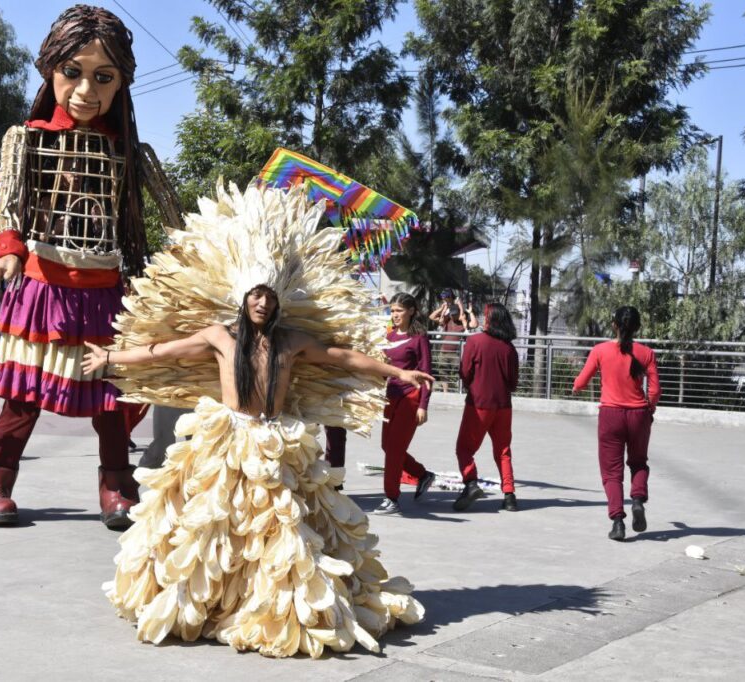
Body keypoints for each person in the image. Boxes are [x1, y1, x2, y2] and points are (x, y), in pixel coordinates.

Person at [93, 182, 430, 657]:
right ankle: (210, 606)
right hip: (228, 440)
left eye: (269, 297)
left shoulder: (290, 341)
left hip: (278, 443)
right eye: (256, 295)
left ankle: (264, 608)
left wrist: (398, 370)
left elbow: (342, 357)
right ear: (242, 296)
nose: (262, 303)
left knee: (279, 532)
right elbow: (162, 351)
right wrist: (112, 357)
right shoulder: (219, 337)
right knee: (218, 528)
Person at [0, 5, 171, 529]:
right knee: (23, 397)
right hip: (42, 288)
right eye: (73, 73)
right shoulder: (26, 140)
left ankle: (116, 485)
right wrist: (6, 254)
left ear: (121, 82)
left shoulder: (131, 153)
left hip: (107, 291)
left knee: (109, 401)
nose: (86, 90)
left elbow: (175, 224)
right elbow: (9, 208)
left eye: (103, 77)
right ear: (51, 70)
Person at [572, 306, 660, 542]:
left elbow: (581, 381)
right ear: (638, 327)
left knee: (612, 472)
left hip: (610, 415)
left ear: (614, 325)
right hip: (638, 415)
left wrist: (575, 385)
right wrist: (649, 409)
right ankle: (638, 500)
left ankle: (618, 522)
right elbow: (655, 390)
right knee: (639, 462)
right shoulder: (646, 353)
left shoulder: (601, 350)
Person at [452, 302, 520, 512]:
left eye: (484, 316)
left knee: (464, 448)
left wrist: (471, 384)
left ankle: (471, 483)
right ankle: (509, 495)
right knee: (503, 451)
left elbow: (465, 372)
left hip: (479, 403)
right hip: (503, 405)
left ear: (490, 320)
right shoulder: (509, 348)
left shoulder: (475, 341)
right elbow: (513, 382)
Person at [373, 292, 435, 515]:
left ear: (411, 311)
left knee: (395, 449)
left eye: (399, 310)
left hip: (411, 398)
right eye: (393, 310)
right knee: (387, 446)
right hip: (391, 396)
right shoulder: (389, 337)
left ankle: (392, 498)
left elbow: (427, 373)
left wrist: (423, 406)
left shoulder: (419, 338)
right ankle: (422, 474)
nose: (395, 314)